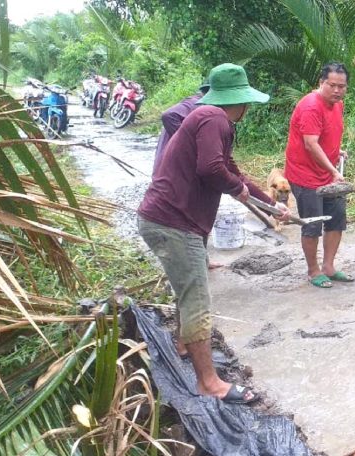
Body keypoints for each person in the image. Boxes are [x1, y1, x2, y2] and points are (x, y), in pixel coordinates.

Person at [138, 63, 288, 404]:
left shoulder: (208, 118)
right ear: (241, 100)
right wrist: (237, 188)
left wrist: (273, 205)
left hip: (164, 218)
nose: (248, 108)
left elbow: (230, 169)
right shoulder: (215, 119)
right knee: (197, 299)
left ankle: (182, 343)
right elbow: (212, 169)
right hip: (174, 222)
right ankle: (209, 382)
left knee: (186, 288)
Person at [283, 63, 353, 288]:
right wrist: (334, 170)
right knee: (313, 223)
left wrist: (336, 151)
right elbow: (311, 144)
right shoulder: (311, 106)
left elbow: (327, 135)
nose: (337, 90)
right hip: (305, 175)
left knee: (336, 219)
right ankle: (313, 271)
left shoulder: (337, 105)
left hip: (328, 174)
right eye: (332, 85)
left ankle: (329, 266)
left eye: (341, 86)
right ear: (321, 83)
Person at [153, 79, 210, 177]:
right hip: (171, 174)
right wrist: (189, 145)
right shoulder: (196, 104)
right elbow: (168, 115)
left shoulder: (202, 105)